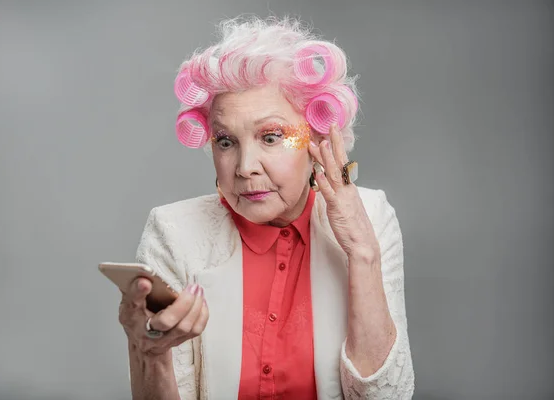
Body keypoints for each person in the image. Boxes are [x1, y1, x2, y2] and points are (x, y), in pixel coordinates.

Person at [118, 16, 414, 400]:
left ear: (319, 139)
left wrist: (362, 253)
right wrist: (151, 353)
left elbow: (387, 397)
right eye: (225, 142)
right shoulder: (174, 232)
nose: (244, 167)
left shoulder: (371, 217)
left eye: (271, 137)